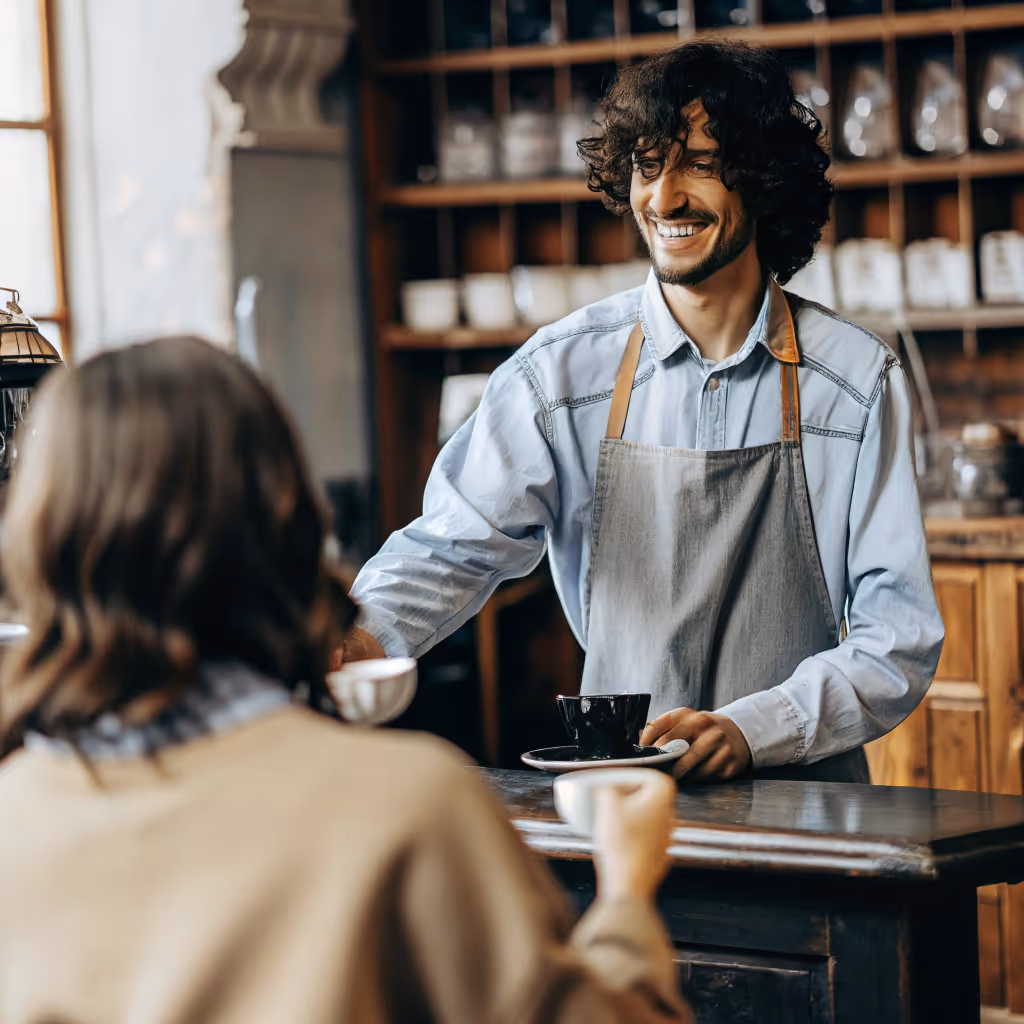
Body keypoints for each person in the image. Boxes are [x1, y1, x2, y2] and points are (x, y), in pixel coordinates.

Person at [0, 337, 691, 1023]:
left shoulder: (16, 813)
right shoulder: (410, 804)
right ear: (285, 517)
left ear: (40, 541)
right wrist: (626, 893)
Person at [347, 41, 944, 784]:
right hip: (621, 795)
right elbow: (451, 546)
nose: (664, 198)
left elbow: (898, 639)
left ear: (763, 180)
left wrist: (752, 729)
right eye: (648, 165)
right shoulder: (561, 375)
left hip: (808, 808)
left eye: (700, 164)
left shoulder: (855, 381)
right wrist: (360, 637)